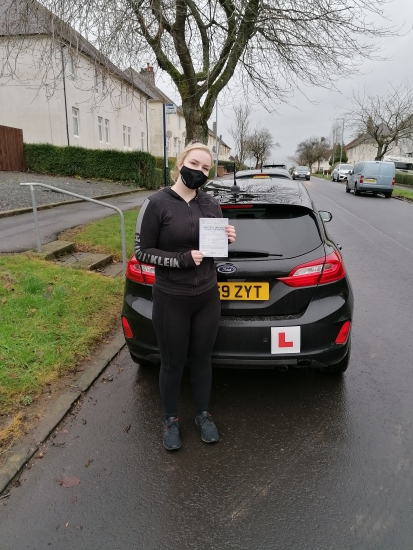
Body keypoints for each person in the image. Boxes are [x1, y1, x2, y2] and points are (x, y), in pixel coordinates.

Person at [134, 142, 236, 451]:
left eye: (206, 168)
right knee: (173, 362)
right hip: (171, 299)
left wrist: (228, 239)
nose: (200, 171)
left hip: (206, 296)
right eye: (195, 164)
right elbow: (141, 253)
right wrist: (180, 259)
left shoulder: (211, 205)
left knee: (202, 359)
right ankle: (170, 420)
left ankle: (203, 415)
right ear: (180, 164)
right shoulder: (156, 204)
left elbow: (215, 254)